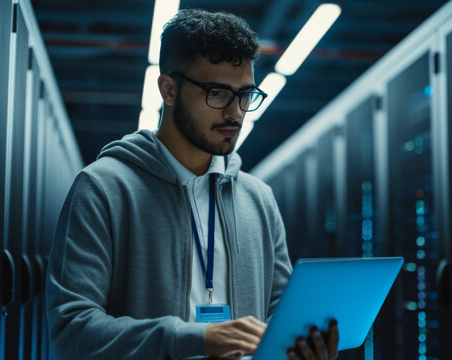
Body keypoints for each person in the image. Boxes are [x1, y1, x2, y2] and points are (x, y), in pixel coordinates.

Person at [46, 9, 338, 359]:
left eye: (246, 95)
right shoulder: (103, 188)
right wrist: (194, 338)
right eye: (218, 94)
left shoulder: (258, 199)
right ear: (168, 89)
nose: (236, 113)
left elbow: (278, 309)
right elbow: (72, 329)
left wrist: (302, 344)